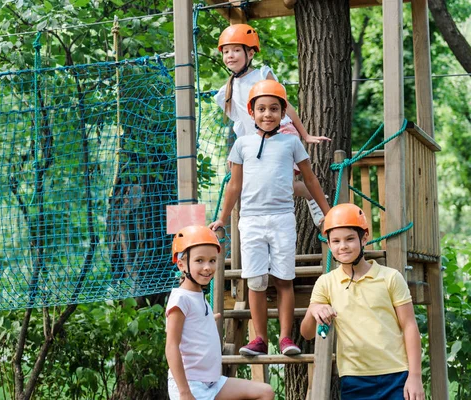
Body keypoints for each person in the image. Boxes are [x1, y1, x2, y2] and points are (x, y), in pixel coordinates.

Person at [209, 81, 330, 357]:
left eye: (274, 109)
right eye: (261, 109)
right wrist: (222, 218)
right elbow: (234, 186)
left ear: (283, 112)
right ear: (251, 112)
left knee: (284, 279)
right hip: (251, 220)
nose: (267, 114)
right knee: (256, 282)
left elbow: (309, 179)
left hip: (281, 219)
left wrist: (327, 212)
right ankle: (260, 338)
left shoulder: (291, 142)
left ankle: (286, 338)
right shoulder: (242, 144)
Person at [300, 203, 425, 400]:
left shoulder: (390, 277)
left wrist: (415, 376)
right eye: (336, 241)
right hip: (354, 380)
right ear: (329, 244)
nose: (343, 246)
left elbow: (410, 326)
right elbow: (306, 333)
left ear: (364, 237)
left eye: (350, 239)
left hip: (396, 374)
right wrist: (314, 309)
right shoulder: (326, 283)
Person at [215, 23, 331, 227]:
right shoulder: (228, 89)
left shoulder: (261, 75)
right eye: (226, 51)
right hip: (257, 140)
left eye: (235, 50)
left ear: (250, 53)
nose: (230, 55)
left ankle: (316, 201)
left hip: (280, 132)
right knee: (264, 182)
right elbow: (242, 122)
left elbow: (287, 106)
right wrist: (236, 155)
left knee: (284, 182)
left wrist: (305, 135)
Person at [166, 225, 275, 400]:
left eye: (212, 260)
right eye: (199, 260)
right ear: (181, 265)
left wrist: (207, 321)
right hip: (191, 385)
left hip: (213, 383)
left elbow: (193, 325)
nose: (207, 267)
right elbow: (171, 346)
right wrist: (184, 392)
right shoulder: (180, 300)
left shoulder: (198, 295)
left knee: (265, 392)